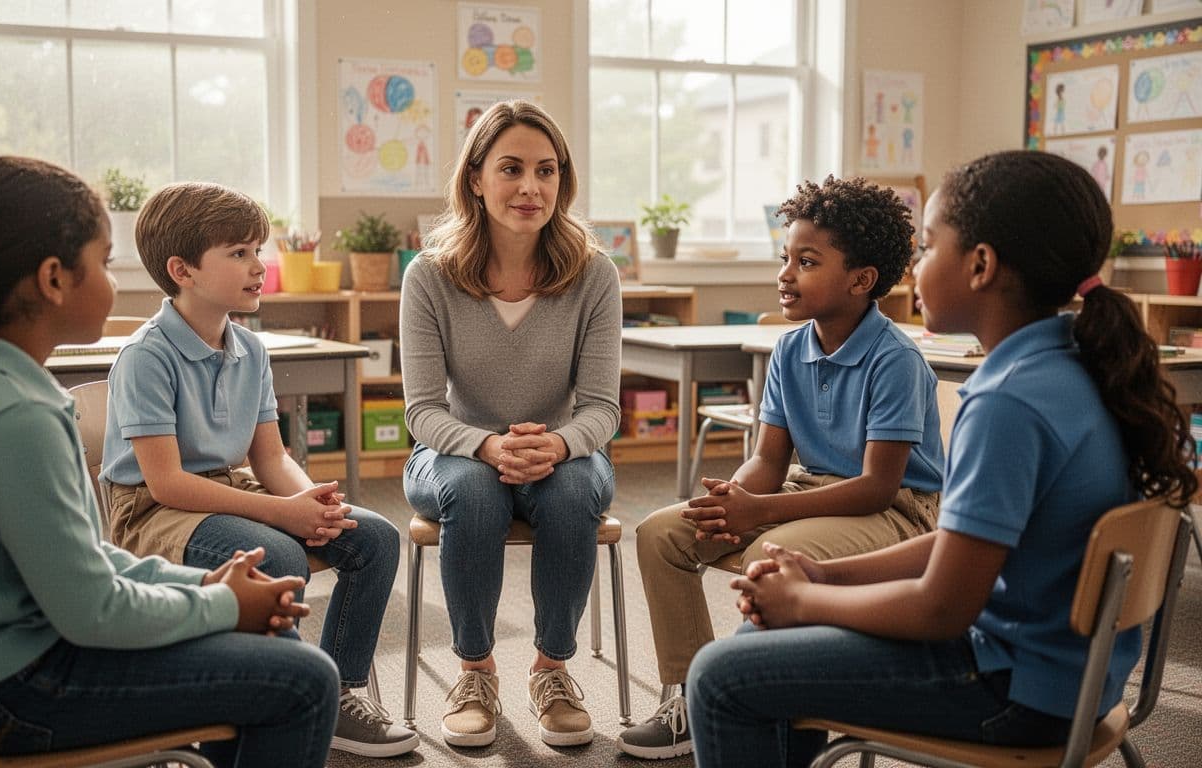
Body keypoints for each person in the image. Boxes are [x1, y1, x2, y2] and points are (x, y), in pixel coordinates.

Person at [686, 150, 1198, 768]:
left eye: (928, 247)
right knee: (765, 639)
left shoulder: (1007, 400)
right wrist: (825, 577)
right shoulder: (1074, 364)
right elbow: (962, 543)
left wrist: (806, 603)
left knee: (721, 675)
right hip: (1068, 675)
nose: (916, 266)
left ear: (980, 265)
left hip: (1011, 687)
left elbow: (943, 605)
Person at [0, 156, 340, 767]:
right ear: (54, 279)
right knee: (304, 680)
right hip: (9, 694)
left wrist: (203, 585)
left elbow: (85, 561)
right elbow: (91, 608)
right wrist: (223, 604)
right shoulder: (15, 416)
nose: (114, 281)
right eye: (104, 263)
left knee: (260, 643)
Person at [620, 175, 944, 760]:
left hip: (896, 512)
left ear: (861, 280)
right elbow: (768, 461)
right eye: (785, 257)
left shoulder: (894, 360)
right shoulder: (790, 350)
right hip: (809, 490)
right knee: (661, 533)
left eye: (807, 261)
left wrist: (760, 512)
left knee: (774, 558)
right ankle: (692, 699)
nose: (785, 273)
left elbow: (877, 487)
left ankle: (757, 705)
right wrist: (730, 503)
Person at [98, 181, 417, 758]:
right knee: (279, 556)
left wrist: (313, 504)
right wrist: (281, 513)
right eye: (239, 253)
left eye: (258, 250)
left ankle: (339, 695)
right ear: (183, 270)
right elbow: (167, 482)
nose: (259, 266)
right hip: (153, 506)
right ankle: (275, 706)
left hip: (223, 489)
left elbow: (269, 458)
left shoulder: (251, 348)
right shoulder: (147, 355)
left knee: (373, 537)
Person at [400, 99, 621, 748]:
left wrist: (554, 443)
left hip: (562, 455)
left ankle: (551, 671)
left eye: (546, 171)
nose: (531, 187)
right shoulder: (429, 276)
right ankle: (476, 673)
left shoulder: (594, 275)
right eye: (512, 168)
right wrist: (489, 446)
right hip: (453, 454)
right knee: (471, 490)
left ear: (562, 181)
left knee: (575, 491)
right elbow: (422, 410)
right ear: (475, 177)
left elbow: (602, 408)